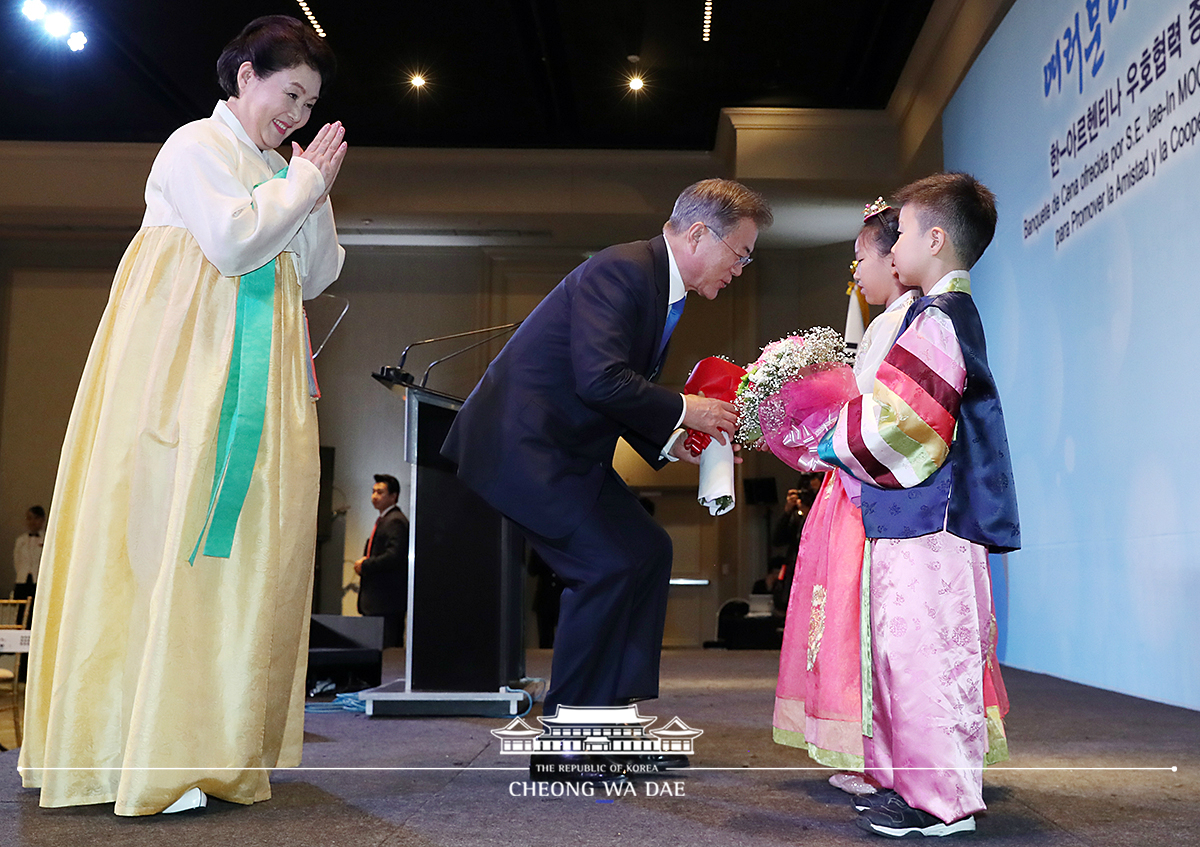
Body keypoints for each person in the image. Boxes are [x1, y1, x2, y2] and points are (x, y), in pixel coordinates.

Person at [19, 16, 346, 816]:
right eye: (289, 92)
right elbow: (236, 245)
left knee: (234, 569)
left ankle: (211, 748)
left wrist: (313, 189)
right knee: (169, 543)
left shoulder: (277, 165)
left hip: (253, 374)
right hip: (183, 372)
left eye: (309, 101)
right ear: (244, 77)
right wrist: (300, 186)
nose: (297, 114)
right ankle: (142, 750)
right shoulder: (192, 145)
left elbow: (317, 271)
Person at [442, 178, 772, 779]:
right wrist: (687, 409)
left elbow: (616, 392)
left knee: (646, 549)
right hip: (524, 449)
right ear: (699, 234)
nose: (742, 268)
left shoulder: (659, 285)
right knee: (605, 564)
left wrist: (678, 442)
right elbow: (601, 380)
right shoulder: (621, 271)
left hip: (566, 454)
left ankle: (608, 722)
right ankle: (568, 738)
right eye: (741, 253)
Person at [819, 173, 1018, 838]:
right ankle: (917, 787)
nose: (893, 245)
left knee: (926, 654)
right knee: (905, 652)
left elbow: (902, 426)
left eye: (900, 232)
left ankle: (940, 801)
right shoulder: (938, 315)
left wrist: (830, 437)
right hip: (919, 520)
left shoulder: (938, 320)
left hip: (931, 522)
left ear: (935, 239)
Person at [773, 199, 918, 795]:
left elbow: (878, 415)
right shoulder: (891, 320)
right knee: (853, 620)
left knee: (861, 620)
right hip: (855, 481)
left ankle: (878, 754)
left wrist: (819, 437)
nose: (855, 271)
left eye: (861, 257)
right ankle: (874, 751)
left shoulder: (902, 320)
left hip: (868, 488)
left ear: (898, 257)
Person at [354, 474, 410, 648]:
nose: (374, 496)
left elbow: (394, 556)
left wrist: (365, 565)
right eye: (373, 491)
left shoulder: (396, 522)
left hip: (386, 603)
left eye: (380, 492)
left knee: (387, 653)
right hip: (379, 603)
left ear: (393, 496)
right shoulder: (386, 520)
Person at [13, 505, 46, 598]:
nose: (33, 522)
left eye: (36, 518)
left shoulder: (47, 540)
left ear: (42, 520)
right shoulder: (21, 540)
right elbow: (17, 560)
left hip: (38, 580)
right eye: (29, 518)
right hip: (22, 580)